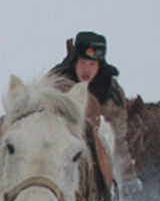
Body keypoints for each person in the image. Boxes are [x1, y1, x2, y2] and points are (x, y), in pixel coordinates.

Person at [49, 31, 140, 192]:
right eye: (83, 62)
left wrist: (126, 177)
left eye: (92, 64)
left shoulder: (109, 92)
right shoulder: (55, 82)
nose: (87, 69)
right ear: (75, 62)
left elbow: (119, 137)